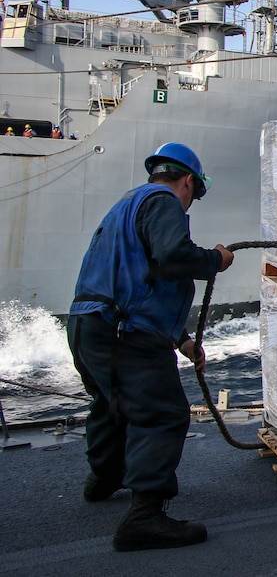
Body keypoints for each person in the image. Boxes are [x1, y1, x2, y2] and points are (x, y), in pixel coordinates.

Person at [67, 142, 235, 550]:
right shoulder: (163, 202)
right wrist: (215, 259)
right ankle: (145, 518)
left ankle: (103, 480)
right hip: (125, 334)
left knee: (114, 404)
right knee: (162, 414)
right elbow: (173, 257)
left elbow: (138, 279)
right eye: (194, 195)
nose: (190, 205)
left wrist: (181, 338)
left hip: (90, 326)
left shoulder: (126, 205)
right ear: (188, 181)